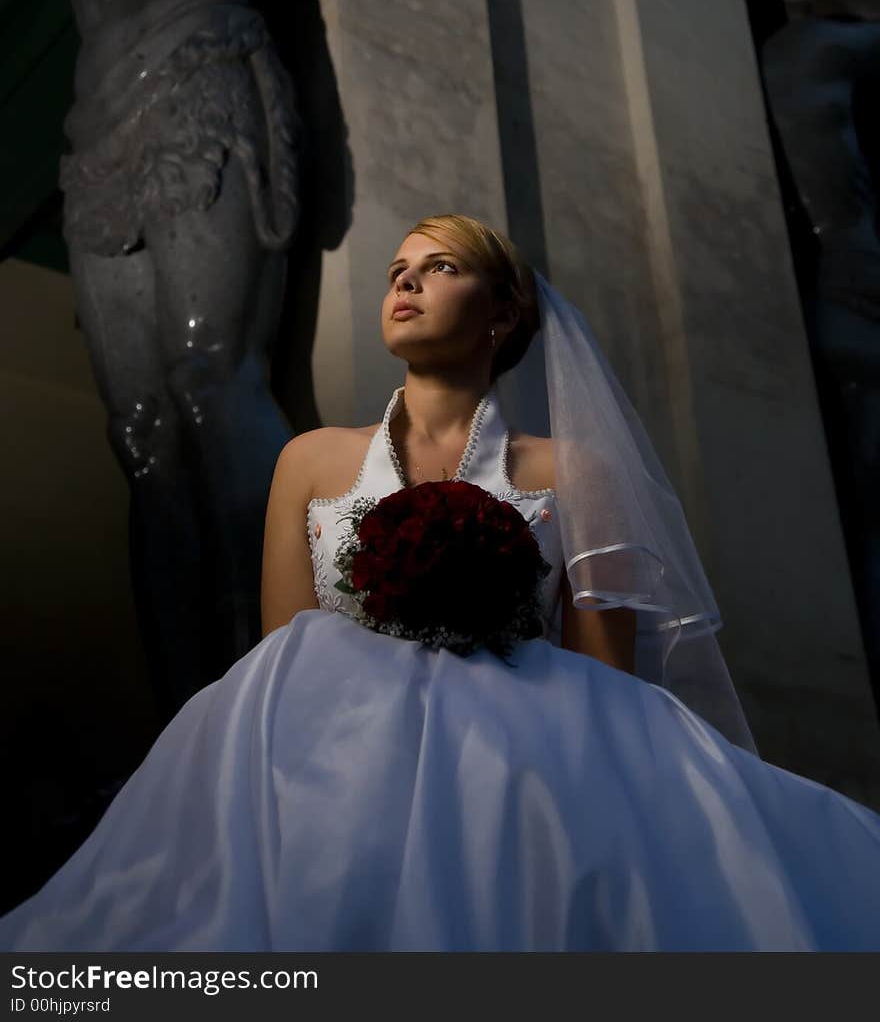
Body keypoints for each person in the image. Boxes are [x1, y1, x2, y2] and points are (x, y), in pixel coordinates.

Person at [3, 213, 880, 952]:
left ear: (503, 312)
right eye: (397, 270)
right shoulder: (309, 461)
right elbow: (282, 651)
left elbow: (609, 683)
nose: (406, 283)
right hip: (326, 772)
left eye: (440, 266)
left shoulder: (580, 473)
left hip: (522, 786)